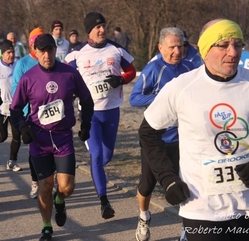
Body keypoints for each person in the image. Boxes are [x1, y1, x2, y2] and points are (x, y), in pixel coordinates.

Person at [138, 19, 249, 241]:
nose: (233, 53)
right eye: (223, 45)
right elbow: (148, 133)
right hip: (200, 207)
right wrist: (168, 178)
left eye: (238, 44)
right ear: (205, 50)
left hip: (247, 206)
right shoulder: (181, 87)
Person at [10, 33, 94, 241]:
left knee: (67, 187)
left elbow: (87, 100)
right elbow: (15, 109)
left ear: (55, 51)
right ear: (36, 52)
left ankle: (60, 200)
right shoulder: (28, 78)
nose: (47, 55)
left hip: (63, 138)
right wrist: (23, 128)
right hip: (39, 139)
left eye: (50, 50)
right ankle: (46, 227)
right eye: (42, 51)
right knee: (45, 185)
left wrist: (86, 125)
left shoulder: (69, 73)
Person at [65, 12, 136, 219]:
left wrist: (121, 80)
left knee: (106, 156)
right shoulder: (76, 54)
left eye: (104, 26)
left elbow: (131, 70)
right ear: (89, 30)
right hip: (90, 113)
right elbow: (67, 79)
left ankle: (96, 173)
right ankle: (104, 202)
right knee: (96, 155)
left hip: (112, 110)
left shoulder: (116, 49)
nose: (102, 30)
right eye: (98, 27)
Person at [129, 27, 198, 241]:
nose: (177, 51)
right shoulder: (153, 69)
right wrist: (163, 99)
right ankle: (143, 217)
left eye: (181, 46)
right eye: (172, 47)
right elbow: (134, 98)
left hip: (183, 139)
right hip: (156, 140)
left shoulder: (190, 67)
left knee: (188, 184)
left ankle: (187, 231)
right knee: (147, 185)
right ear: (161, 48)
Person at [10, 26, 46, 199]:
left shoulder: (49, 60)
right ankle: (35, 181)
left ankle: (48, 181)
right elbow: (16, 88)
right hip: (29, 114)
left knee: (51, 149)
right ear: (32, 45)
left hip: (48, 113)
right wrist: (24, 114)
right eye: (37, 43)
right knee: (34, 150)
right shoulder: (23, 64)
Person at [0, 40, 23, 172]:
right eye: (8, 52)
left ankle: (12, 161)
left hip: (15, 107)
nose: (11, 55)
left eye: (13, 52)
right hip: (0, 108)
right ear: (2, 54)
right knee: (2, 138)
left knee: (16, 136)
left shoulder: (18, 67)